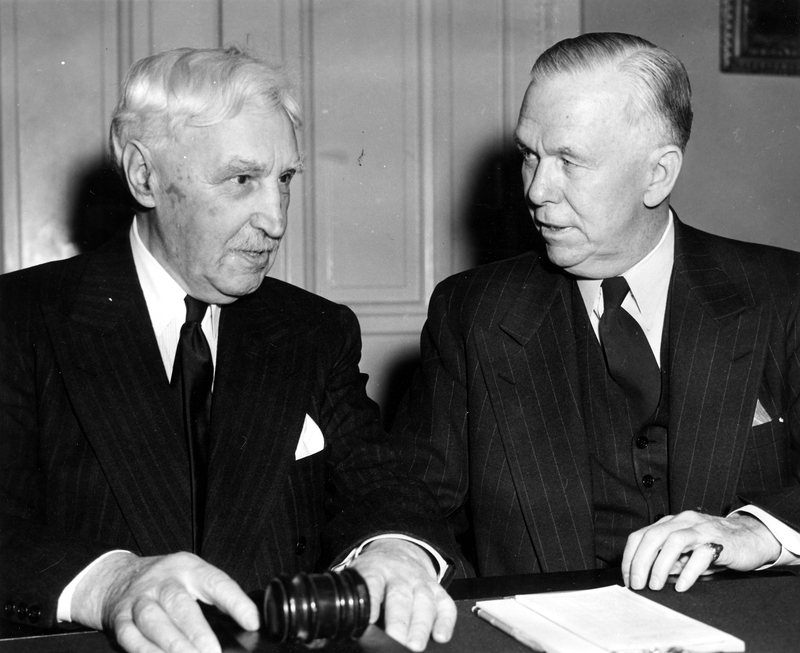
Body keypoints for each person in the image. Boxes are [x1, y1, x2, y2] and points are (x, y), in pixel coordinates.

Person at [0, 46, 457, 653]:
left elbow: (380, 482)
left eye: (284, 179)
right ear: (145, 176)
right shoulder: (21, 320)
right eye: (242, 179)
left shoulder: (313, 331)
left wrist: (396, 549)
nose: (275, 219)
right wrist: (111, 584)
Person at [392, 32, 800, 592]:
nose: (537, 190)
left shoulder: (783, 293)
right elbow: (411, 502)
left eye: (569, 160)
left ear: (657, 174)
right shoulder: (472, 313)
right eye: (529, 156)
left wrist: (757, 530)